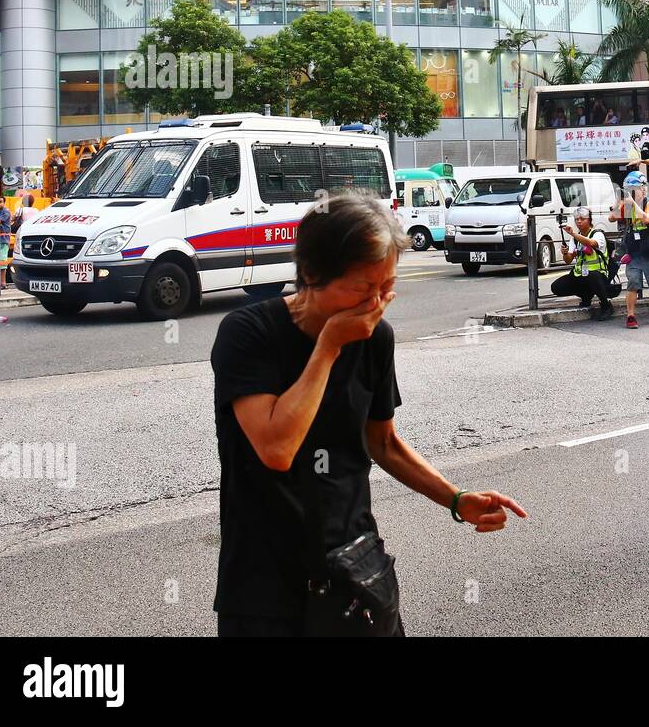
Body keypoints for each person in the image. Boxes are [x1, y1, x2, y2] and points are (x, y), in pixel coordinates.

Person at [210, 192, 526, 636]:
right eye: (362, 288)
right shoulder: (248, 333)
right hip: (264, 584)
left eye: (387, 286)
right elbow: (276, 447)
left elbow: (382, 441)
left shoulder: (376, 338)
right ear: (312, 274)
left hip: (355, 569)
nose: (376, 302)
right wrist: (329, 347)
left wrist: (456, 499)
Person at [611, 170, 649, 328]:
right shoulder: (628, 205)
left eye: (633, 189)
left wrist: (633, 203)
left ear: (643, 189)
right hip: (634, 251)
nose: (631, 193)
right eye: (628, 189)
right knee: (633, 282)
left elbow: (646, 218)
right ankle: (630, 316)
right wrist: (618, 200)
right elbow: (612, 217)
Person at [550, 207, 618, 320]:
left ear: (590, 220)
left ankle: (606, 306)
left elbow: (591, 243)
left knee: (592, 276)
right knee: (557, 287)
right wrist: (565, 253)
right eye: (576, 219)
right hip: (581, 274)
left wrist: (573, 234)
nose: (579, 222)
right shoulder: (575, 239)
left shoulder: (597, 234)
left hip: (599, 274)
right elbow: (568, 260)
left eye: (582, 219)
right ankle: (586, 295)